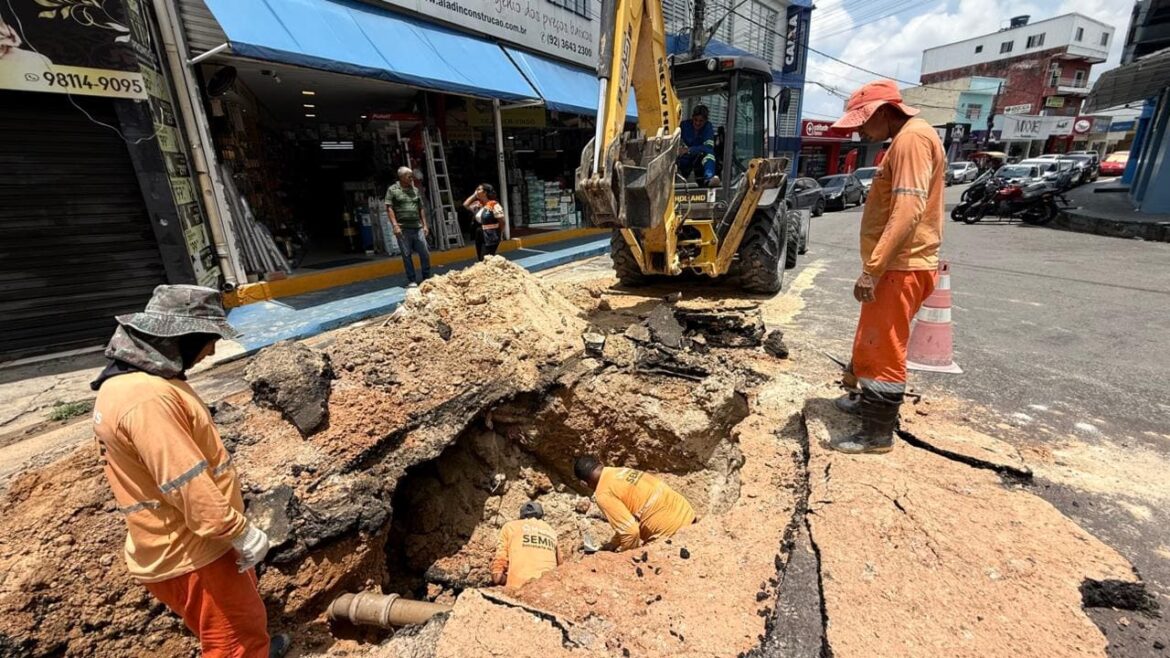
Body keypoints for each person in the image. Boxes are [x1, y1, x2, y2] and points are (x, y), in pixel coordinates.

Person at [90, 285, 290, 658]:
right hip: (193, 550)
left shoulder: (132, 385)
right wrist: (238, 531)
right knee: (234, 642)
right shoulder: (146, 399)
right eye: (208, 339)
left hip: (187, 543)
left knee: (239, 627)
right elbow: (184, 479)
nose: (211, 350)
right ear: (183, 337)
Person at [829, 80, 944, 455]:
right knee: (872, 336)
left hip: (900, 267)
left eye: (862, 123)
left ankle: (876, 434)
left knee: (885, 348)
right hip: (899, 265)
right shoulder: (909, 138)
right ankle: (868, 401)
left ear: (883, 111)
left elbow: (908, 210)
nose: (860, 132)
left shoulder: (911, 141)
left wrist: (874, 269)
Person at [573, 456, 695, 552]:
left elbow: (630, 532)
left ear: (584, 483)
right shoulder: (619, 471)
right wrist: (614, 543)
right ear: (600, 464)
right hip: (687, 516)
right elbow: (628, 519)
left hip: (671, 534)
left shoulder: (603, 494)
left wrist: (623, 557)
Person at [490, 502, 561, 589]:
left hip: (518, 590)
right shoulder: (551, 531)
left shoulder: (510, 527)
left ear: (521, 516)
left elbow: (498, 575)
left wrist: (502, 579)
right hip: (548, 590)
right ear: (541, 516)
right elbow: (561, 567)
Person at [385, 166, 431, 287]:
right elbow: (389, 208)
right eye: (409, 176)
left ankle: (426, 277)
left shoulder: (415, 190)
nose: (411, 178)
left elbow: (421, 208)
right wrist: (395, 225)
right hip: (403, 228)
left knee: (424, 252)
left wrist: (425, 225)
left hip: (417, 226)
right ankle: (412, 280)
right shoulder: (393, 190)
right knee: (406, 255)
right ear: (401, 177)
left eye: (412, 176)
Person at [677, 105, 720, 187]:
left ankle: (709, 178)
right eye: (695, 120)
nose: (697, 123)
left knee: (709, 154)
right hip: (684, 160)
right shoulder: (683, 125)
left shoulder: (708, 127)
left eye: (701, 121)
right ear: (692, 118)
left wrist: (689, 150)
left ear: (706, 120)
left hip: (698, 160)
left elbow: (708, 148)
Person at [463, 183, 505, 262]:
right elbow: (466, 204)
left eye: (479, 189)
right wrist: (474, 195)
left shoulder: (493, 205)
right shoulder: (479, 204)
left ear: (485, 192)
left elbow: (502, 222)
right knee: (480, 258)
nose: (476, 191)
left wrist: (500, 233)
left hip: (491, 235)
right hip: (480, 234)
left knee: (485, 258)